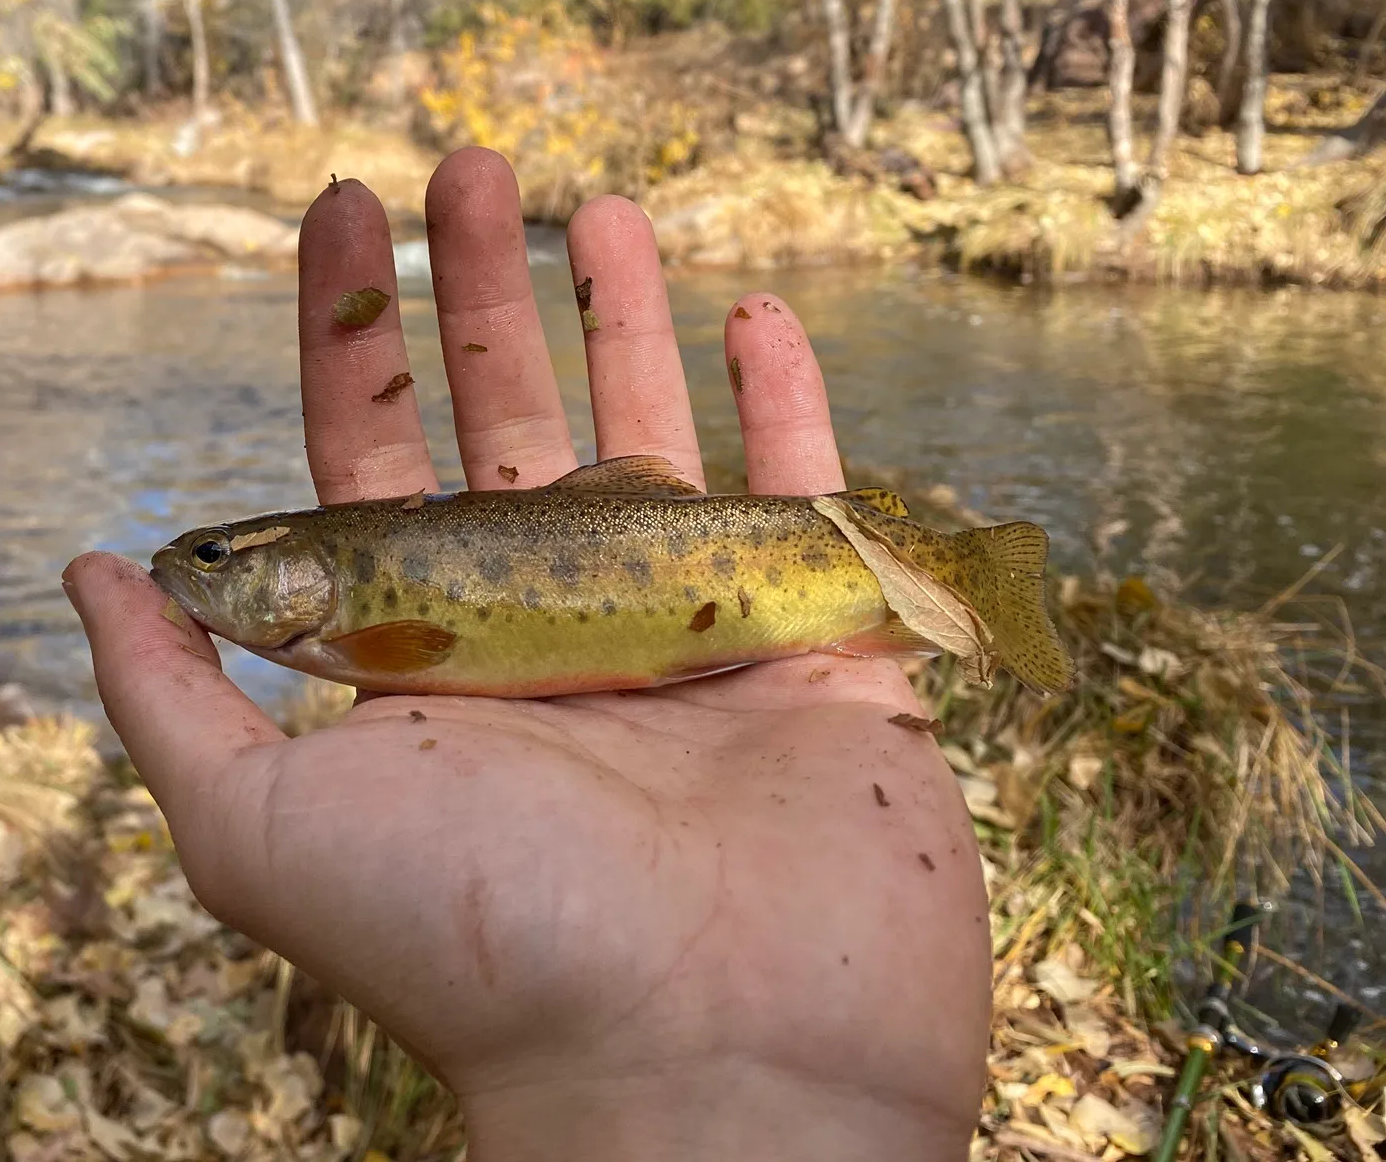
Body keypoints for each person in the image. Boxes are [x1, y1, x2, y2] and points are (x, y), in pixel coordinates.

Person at [63, 149, 991, 1160]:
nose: (188, 568)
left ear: (304, 572)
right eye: (206, 557)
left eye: (213, 559)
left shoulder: (353, 635)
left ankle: (965, 579)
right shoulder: (345, 618)